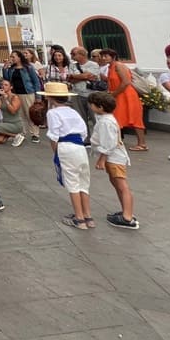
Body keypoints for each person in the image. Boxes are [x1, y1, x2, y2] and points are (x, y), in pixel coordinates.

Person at [40, 81, 92, 229]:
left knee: (72, 182)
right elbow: (83, 132)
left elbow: (53, 135)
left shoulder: (52, 113)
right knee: (83, 181)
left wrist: (56, 153)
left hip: (65, 147)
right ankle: (87, 215)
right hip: (80, 147)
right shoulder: (73, 112)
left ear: (50, 97)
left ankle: (79, 218)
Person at [89, 92, 138, 230]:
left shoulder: (106, 122)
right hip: (114, 156)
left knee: (122, 185)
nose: (91, 106)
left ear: (100, 107)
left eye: (92, 104)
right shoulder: (106, 119)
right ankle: (125, 212)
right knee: (117, 184)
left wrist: (102, 159)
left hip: (114, 157)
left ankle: (127, 216)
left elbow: (109, 143)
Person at [99, 49, 147, 151]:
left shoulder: (118, 65)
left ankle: (142, 143)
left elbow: (126, 82)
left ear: (113, 56)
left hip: (126, 95)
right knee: (117, 118)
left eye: (106, 56)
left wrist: (113, 94)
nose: (103, 58)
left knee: (134, 118)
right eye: (102, 56)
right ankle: (116, 142)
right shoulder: (110, 67)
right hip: (118, 94)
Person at [2, 50, 43, 144]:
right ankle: (22, 133)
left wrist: (38, 96)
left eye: (13, 57)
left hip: (28, 93)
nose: (12, 59)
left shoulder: (28, 67)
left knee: (30, 113)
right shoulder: (12, 69)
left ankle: (35, 134)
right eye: (11, 57)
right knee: (19, 115)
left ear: (19, 57)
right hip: (16, 93)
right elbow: (7, 80)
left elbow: (36, 81)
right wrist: (5, 69)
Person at [67, 47, 101, 138]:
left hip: (91, 95)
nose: (71, 56)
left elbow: (89, 76)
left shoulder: (93, 65)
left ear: (82, 54)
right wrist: (82, 76)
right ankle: (86, 139)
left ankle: (99, 138)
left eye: (73, 54)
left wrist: (74, 76)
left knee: (95, 118)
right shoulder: (72, 65)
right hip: (77, 94)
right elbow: (70, 80)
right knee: (81, 118)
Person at [0, 80, 24, 145]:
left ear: (11, 87)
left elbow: (13, 111)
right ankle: (13, 136)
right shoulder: (1, 97)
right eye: (2, 85)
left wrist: (6, 100)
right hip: (6, 124)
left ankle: (16, 136)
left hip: (15, 124)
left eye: (6, 85)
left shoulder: (14, 97)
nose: (3, 86)